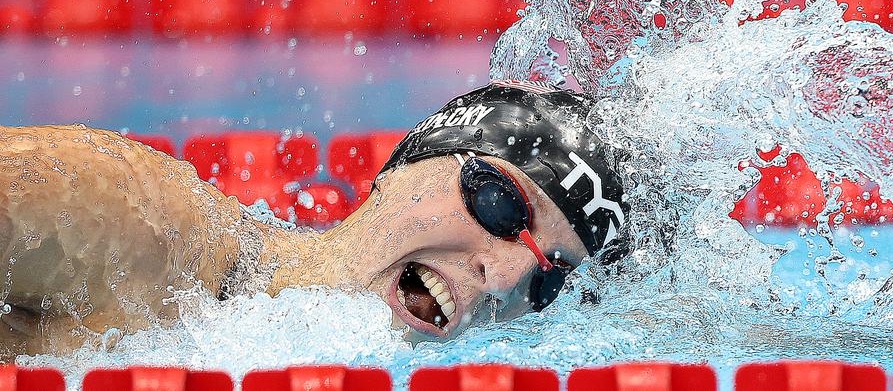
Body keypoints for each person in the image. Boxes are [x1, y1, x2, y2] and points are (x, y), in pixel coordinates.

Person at [0, 81, 628, 359]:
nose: (504, 277)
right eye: (502, 204)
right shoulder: (132, 219)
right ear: (412, 161)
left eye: (549, 282)